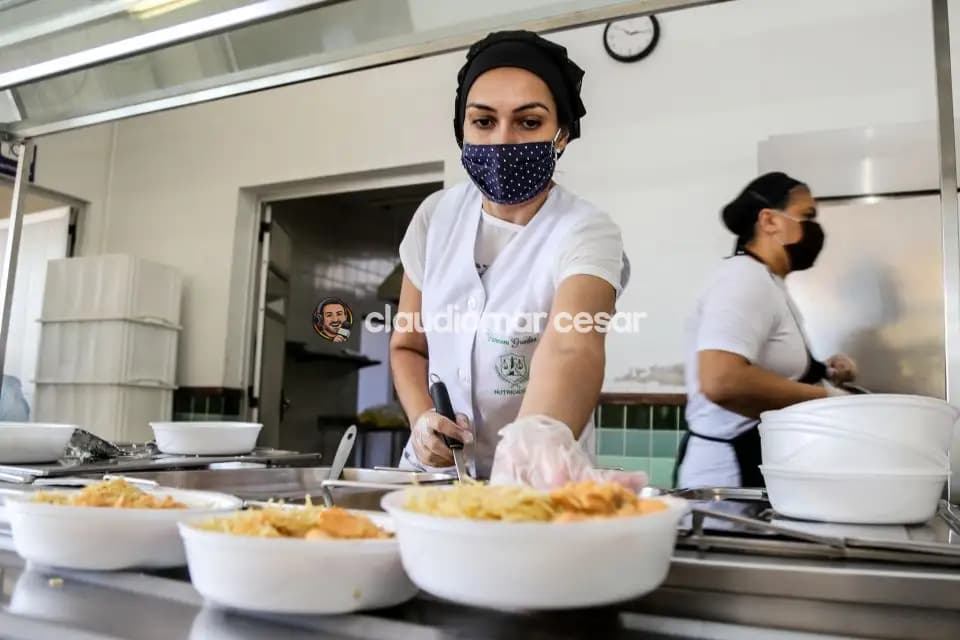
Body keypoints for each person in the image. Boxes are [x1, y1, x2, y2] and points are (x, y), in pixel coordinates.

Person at [391, 30, 634, 485]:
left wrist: (535, 440)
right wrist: (422, 419)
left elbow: (573, 341)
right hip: (431, 482)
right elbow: (408, 344)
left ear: (561, 134)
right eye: (483, 121)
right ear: (462, 129)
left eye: (528, 122)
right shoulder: (434, 217)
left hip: (536, 482)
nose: (503, 141)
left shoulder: (585, 230)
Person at [675, 172, 857, 489]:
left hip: (754, 468)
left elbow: (766, 367)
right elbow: (722, 380)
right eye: (807, 216)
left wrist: (825, 370)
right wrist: (828, 399)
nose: (815, 228)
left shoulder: (767, 282)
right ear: (769, 221)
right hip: (727, 487)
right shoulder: (743, 279)